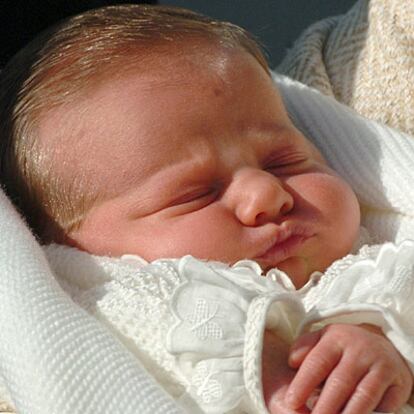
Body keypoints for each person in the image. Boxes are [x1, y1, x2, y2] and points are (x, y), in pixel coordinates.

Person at [0, 4, 412, 414]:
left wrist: (383, 335)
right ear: (72, 248)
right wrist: (256, 356)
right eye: (194, 194)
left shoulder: (378, 256)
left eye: (284, 162)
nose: (265, 195)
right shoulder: (108, 302)